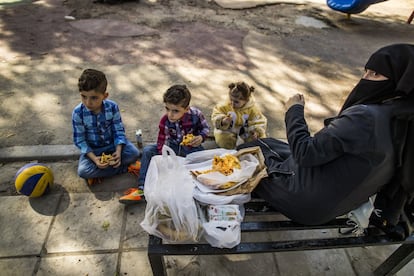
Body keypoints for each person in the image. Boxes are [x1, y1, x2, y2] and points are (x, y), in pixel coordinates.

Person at [237, 43, 414, 227]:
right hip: (335, 200)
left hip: (304, 203)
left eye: (375, 74)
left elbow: (305, 153)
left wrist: (294, 111)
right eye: (366, 72)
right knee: (270, 144)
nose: (365, 79)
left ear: (401, 80)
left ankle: (264, 189)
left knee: (248, 149)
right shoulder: (404, 117)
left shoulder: (366, 118)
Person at [120, 84, 210, 204]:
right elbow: (162, 141)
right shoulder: (165, 121)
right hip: (171, 146)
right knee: (147, 151)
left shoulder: (196, 115)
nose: (170, 114)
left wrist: (200, 137)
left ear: (187, 108)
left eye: (175, 111)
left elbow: (205, 128)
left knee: (204, 159)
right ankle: (142, 188)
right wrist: (162, 155)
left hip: (191, 147)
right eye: (167, 109)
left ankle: (197, 188)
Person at [72, 69, 140, 185]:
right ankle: (124, 168)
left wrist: (118, 152)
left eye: (94, 98)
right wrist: (94, 159)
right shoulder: (78, 113)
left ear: (105, 96)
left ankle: (100, 173)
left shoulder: (112, 107)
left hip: (113, 145)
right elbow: (80, 140)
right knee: (83, 171)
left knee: (134, 153)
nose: (88, 103)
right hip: (94, 150)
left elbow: (118, 131)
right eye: (84, 97)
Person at [211, 81, 267, 149]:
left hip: (246, 132)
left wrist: (256, 132)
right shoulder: (224, 106)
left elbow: (259, 121)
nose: (232, 104)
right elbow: (216, 114)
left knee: (258, 141)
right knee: (224, 139)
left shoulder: (252, 110)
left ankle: (248, 148)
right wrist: (222, 121)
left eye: (236, 102)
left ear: (246, 100)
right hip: (228, 131)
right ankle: (230, 147)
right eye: (231, 100)